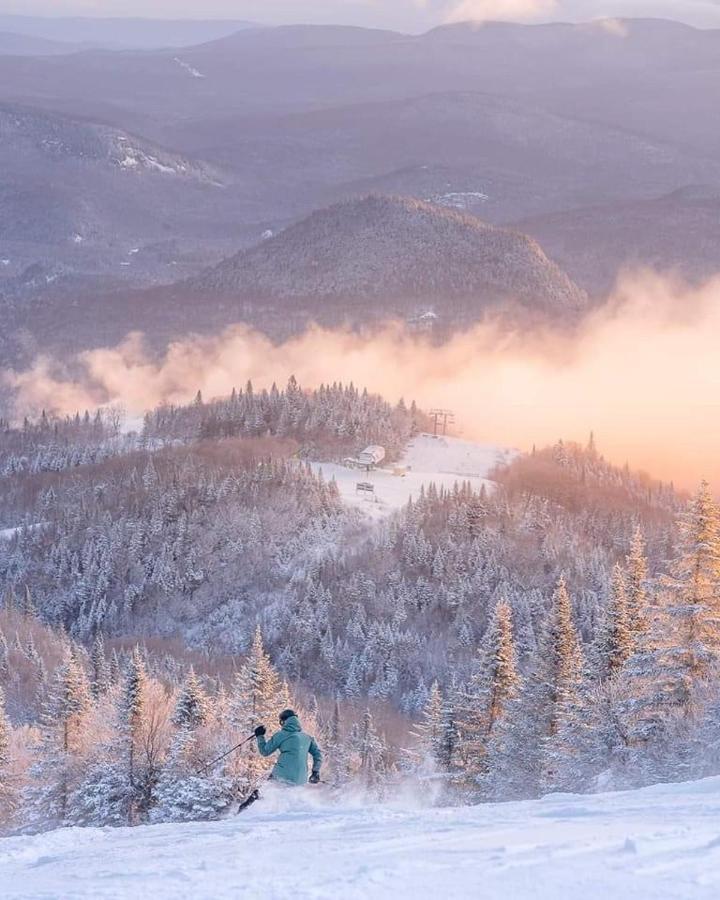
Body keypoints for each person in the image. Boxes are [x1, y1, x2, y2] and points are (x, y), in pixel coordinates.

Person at [254, 709, 322, 785]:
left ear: (284, 721)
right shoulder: (307, 737)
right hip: (301, 779)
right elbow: (318, 754)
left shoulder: (281, 735)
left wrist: (260, 736)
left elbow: (265, 752)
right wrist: (315, 771)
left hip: (281, 776)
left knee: (262, 794)